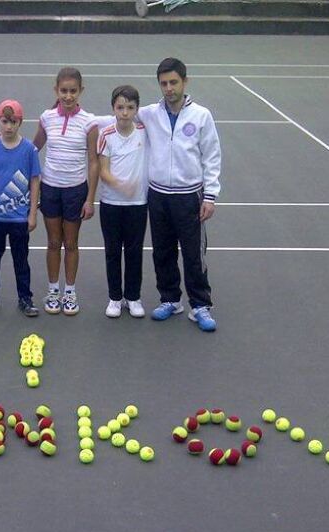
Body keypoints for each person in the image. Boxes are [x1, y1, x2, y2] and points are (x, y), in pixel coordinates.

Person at [137, 57, 221, 332]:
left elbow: (211, 156)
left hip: (190, 197)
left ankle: (200, 305)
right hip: (158, 195)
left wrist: (210, 195)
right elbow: (117, 116)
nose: (169, 88)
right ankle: (170, 299)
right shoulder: (149, 113)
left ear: (185, 82)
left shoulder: (201, 116)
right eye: (164, 83)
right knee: (162, 251)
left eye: (174, 82)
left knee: (194, 254)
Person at [33, 67, 99, 316]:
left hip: (75, 191)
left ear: (81, 91)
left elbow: (94, 162)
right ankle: (53, 290)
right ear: (56, 90)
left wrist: (90, 199)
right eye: (64, 91)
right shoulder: (47, 117)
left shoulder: (89, 123)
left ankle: (69, 291)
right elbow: (33, 148)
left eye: (73, 91)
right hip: (50, 189)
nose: (68, 96)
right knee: (52, 242)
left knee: (70, 243)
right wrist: (2, 140)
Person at [0, 99, 41, 317]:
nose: (9, 126)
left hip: (19, 219)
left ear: (20, 122)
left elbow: (34, 181)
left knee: (21, 261)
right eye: (5, 121)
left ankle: (25, 298)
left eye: (13, 122)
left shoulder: (29, 150)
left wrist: (32, 214)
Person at [97, 85, 149, 319]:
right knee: (112, 252)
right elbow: (103, 171)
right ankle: (115, 298)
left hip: (138, 204)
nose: (125, 112)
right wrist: (121, 185)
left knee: (134, 252)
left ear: (137, 109)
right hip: (111, 204)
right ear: (113, 109)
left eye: (130, 107)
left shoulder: (145, 131)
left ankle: (133, 297)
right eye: (120, 107)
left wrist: (133, 190)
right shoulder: (106, 135)